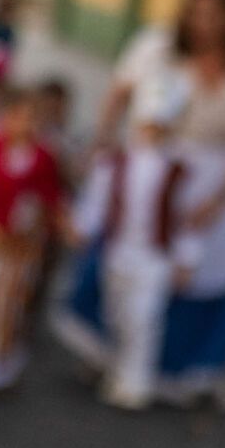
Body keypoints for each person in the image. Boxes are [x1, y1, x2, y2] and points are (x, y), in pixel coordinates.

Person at [94, 0, 225, 410]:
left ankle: (191, 370)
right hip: (154, 175)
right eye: (198, 10)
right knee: (128, 263)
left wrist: (220, 200)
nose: (204, 22)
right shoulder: (157, 47)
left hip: (221, 185)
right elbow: (119, 95)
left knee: (210, 274)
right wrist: (103, 148)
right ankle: (119, 356)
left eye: (218, 14)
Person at [85, 71, 200, 410]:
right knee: (116, 313)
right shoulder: (116, 161)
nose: (153, 131)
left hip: (155, 255)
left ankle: (136, 381)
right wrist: (83, 226)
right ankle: (119, 370)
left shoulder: (179, 169)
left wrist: (187, 258)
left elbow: (187, 219)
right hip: (119, 249)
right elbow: (96, 200)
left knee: (144, 317)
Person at [0, 89, 68, 395]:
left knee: (8, 304)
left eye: (32, 118)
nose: (26, 124)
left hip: (23, 243)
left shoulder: (44, 157)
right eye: (20, 116)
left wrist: (62, 225)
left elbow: (52, 197)